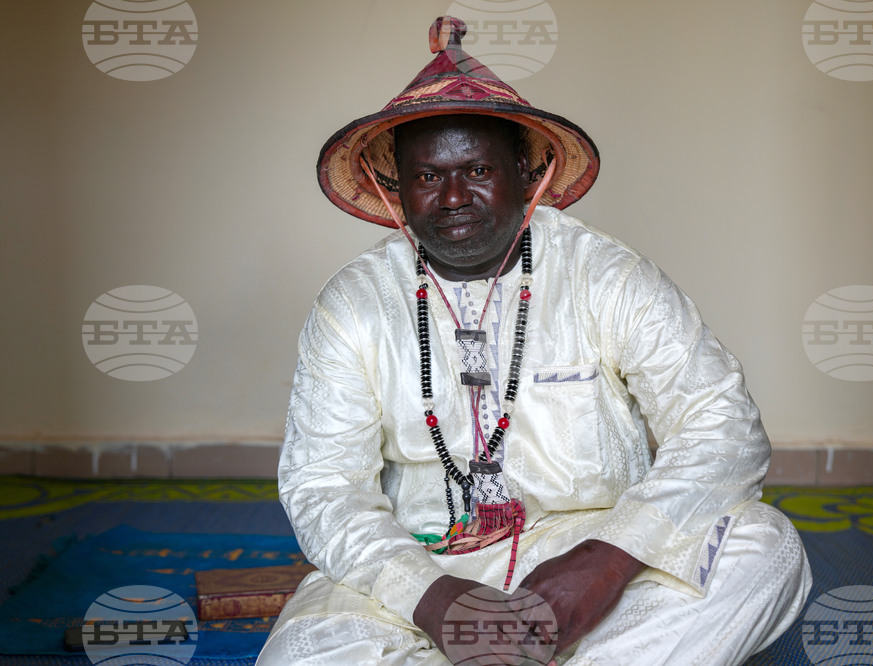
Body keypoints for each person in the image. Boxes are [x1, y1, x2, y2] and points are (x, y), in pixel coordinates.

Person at [258, 16, 811, 665]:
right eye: (428, 177)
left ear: (526, 173)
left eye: (478, 169)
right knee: (302, 653)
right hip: (421, 563)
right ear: (396, 189)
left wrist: (608, 561)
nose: (454, 197)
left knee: (765, 546)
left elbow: (722, 426)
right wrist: (431, 598)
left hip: (592, 552)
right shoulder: (353, 304)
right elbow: (324, 487)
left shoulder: (605, 275)